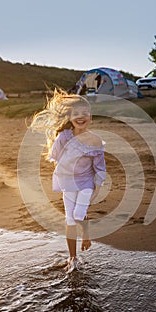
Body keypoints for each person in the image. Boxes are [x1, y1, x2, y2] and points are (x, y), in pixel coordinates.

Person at [31, 88, 106, 272]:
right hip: (68, 181)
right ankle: (72, 257)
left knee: (80, 211)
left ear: (91, 118)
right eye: (76, 114)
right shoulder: (64, 136)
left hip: (87, 181)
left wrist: (98, 184)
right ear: (70, 117)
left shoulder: (95, 140)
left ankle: (86, 233)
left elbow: (99, 165)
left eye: (85, 114)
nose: (81, 117)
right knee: (70, 219)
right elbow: (55, 155)